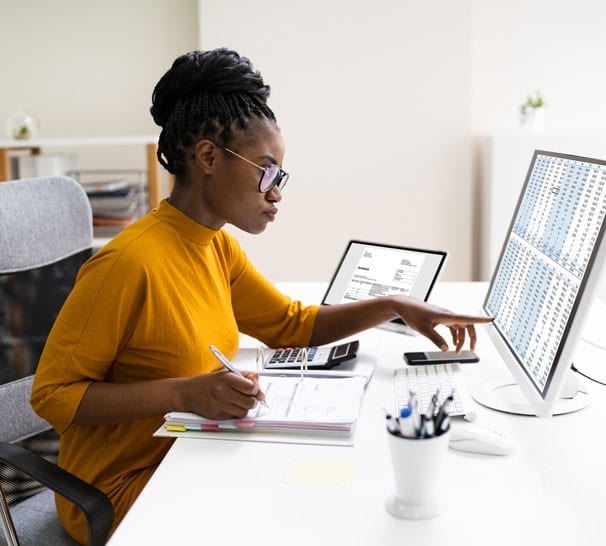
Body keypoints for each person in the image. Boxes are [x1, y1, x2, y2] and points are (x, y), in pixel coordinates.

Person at [31, 48, 493, 544]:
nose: (276, 193)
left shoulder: (216, 247)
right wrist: (185, 393)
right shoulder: (127, 264)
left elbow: (293, 326)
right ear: (208, 157)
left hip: (191, 455)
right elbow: (53, 397)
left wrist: (394, 305)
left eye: (281, 177)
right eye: (267, 172)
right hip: (123, 491)